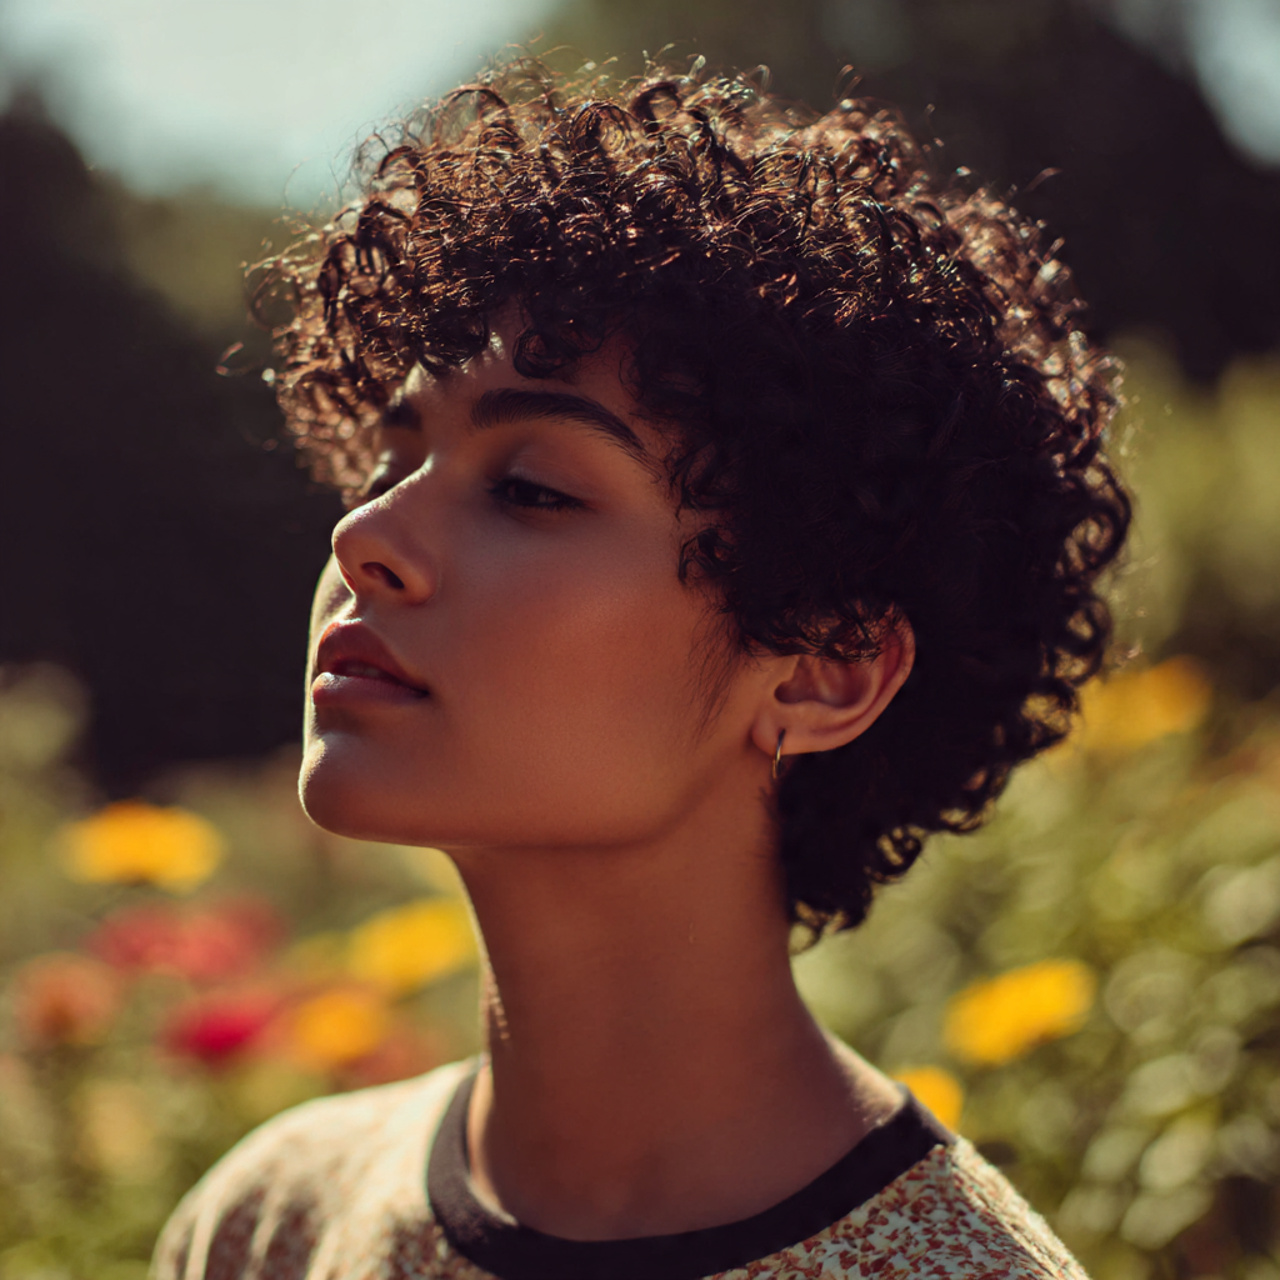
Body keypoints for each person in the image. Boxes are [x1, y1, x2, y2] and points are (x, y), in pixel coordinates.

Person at [152, 55, 1129, 1280]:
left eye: (529, 488)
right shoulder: (264, 1229)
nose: (364, 536)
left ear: (821, 670)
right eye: (387, 465)